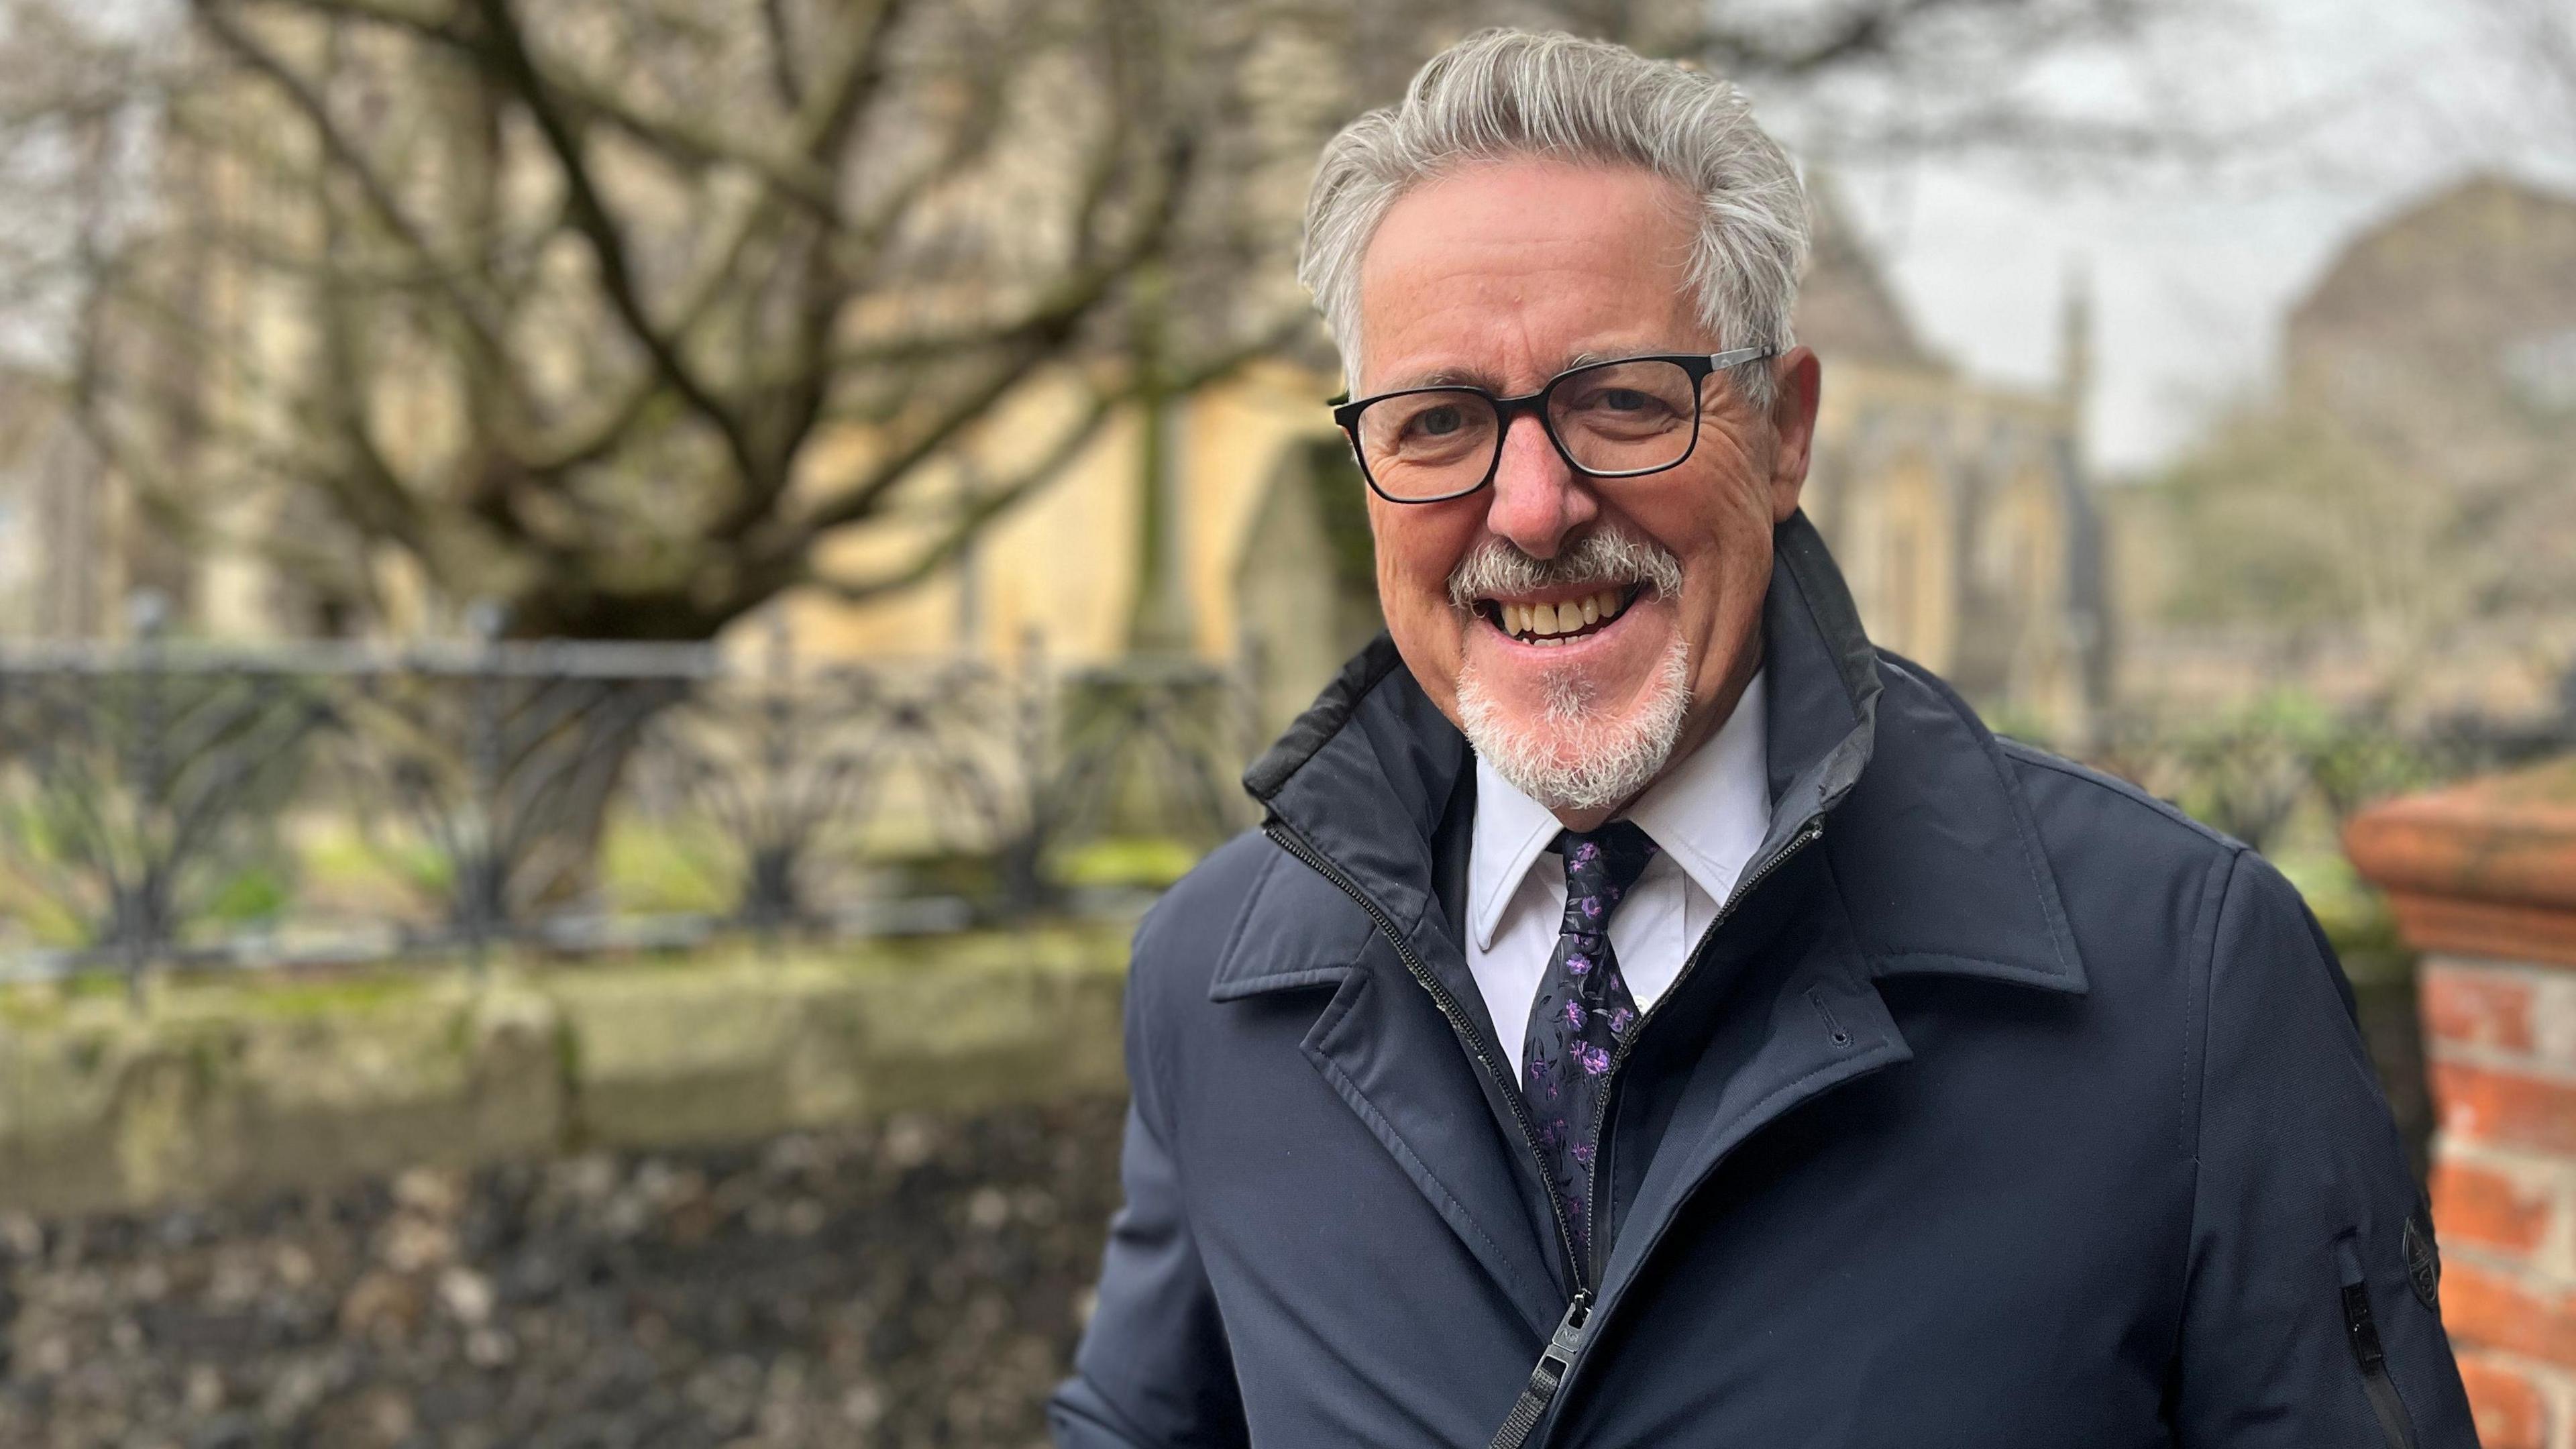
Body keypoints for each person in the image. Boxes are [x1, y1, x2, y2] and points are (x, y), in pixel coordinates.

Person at [1049, 28, 2474, 1448]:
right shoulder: (1214, 985)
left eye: (1621, 402)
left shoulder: (2189, 979)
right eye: (1437, 423)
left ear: (1784, 432)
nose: (1534, 509)